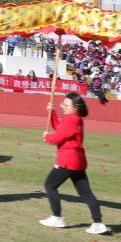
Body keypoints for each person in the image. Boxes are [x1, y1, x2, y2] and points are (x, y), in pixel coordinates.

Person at [39, 92, 109, 234]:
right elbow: (60, 128)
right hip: (77, 162)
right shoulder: (73, 119)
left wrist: (47, 137)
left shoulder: (72, 120)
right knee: (86, 194)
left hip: (67, 161)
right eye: (62, 104)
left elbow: (57, 137)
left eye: (66, 105)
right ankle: (98, 223)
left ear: (76, 107)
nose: (63, 107)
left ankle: (57, 217)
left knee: (50, 185)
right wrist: (52, 113)